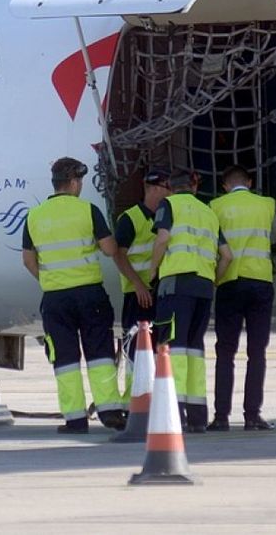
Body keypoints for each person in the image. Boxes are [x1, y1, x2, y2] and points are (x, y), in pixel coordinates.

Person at [21, 157, 125, 434]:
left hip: (56, 298)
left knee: (64, 360)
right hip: (90, 295)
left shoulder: (34, 216)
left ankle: (75, 420)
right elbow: (109, 249)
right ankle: (110, 411)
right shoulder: (87, 211)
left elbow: (28, 260)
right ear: (75, 183)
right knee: (100, 353)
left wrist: (49, 279)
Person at [148, 169, 232, 433]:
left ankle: (175, 412)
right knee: (195, 350)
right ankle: (197, 417)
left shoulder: (169, 204)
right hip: (204, 287)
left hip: (176, 284)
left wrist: (152, 271)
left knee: (171, 348)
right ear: (194, 188)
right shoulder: (208, 212)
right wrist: (214, 280)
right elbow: (227, 256)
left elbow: (162, 238)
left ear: (171, 188)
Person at [206, 165, 276, 431]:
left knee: (225, 352)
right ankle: (252, 415)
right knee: (256, 352)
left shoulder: (215, 206)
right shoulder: (267, 204)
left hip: (229, 282)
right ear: (249, 182)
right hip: (260, 281)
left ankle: (221, 417)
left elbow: (212, 241)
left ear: (225, 186)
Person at [112, 167, 171, 402]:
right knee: (137, 351)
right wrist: (138, 285)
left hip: (160, 293)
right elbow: (119, 255)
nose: (170, 193)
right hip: (138, 296)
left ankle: (157, 400)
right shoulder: (131, 218)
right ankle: (134, 400)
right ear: (155, 188)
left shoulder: (167, 216)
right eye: (168, 188)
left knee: (160, 349)